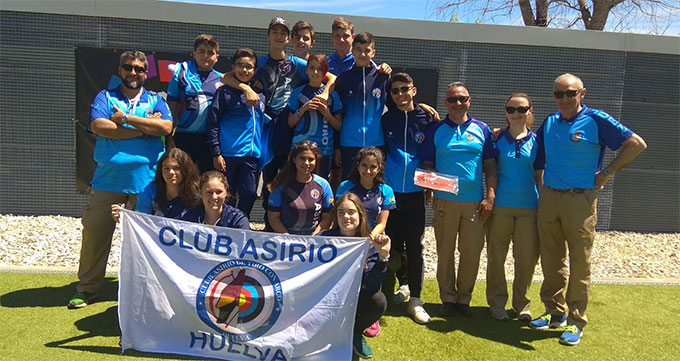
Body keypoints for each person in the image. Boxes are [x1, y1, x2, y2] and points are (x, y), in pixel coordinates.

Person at [530, 73, 646, 346]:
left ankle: (575, 321)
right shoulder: (549, 122)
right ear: (553, 97)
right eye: (559, 94)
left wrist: (606, 173)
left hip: (579, 201)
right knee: (551, 259)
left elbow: (636, 145)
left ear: (583, 94)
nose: (565, 99)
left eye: (570, 93)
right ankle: (553, 312)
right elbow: (535, 151)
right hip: (550, 197)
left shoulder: (596, 120)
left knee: (579, 262)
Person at [68, 50, 173, 309]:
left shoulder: (155, 100)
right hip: (107, 182)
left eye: (138, 69)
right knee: (95, 235)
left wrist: (125, 121)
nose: (133, 73)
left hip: (145, 182)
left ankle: (139, 289)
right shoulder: (105, 96)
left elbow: (166, 128)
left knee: (142, 241)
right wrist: (143, 129)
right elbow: (100, 127)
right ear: (120, 70)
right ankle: (87, 288)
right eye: (128, 68)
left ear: (146, 73)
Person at [222, 17, 336, 230]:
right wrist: (247, 88)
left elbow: (330, 76)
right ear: (268, 35)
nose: (278, 36)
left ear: (287, 39)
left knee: (288, 174)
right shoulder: (260, 63)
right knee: (266, 175)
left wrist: (327, 90)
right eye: (275, 32)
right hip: (265, 127)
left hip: (288, 124)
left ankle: (284, 224)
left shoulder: (296, 63)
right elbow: (225, 77)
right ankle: (263, 223)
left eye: (282, 33)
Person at [420, 82, 498, 318]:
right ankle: (448, 298)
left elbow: (491, 167)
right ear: (446, 103)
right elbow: (427, 164)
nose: (457, 103)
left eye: (462, 99)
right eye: (452, 99)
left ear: (469, 101)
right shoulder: (437, 130)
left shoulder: (482, 130)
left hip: (474, 202)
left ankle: (464, 299)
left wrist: (491, 195)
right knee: (445, 251)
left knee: (471, 252)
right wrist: (431, 188)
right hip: (444, 202)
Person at [380, 73, 435, 325]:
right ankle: (387, 293)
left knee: (414, 248)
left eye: (405, 89)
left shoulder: (427, 118)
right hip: (390, 195)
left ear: (414, 91)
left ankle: (415, 299)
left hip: (415, 195)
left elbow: (436, 151)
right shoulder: (386, 119)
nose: (400, 94)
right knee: (390, 246)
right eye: (395, 91)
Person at [485, 93, 540, 322]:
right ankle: (497, 303)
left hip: (530, 206)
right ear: (505, 111)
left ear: (530, 110)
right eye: (511, 109)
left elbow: (540, 175)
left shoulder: (539, 141)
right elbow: (490, 170)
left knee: (526, 258)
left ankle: (522, 305)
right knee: (497, 256)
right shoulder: (495, 139)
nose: (516, 113)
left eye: (521, 109)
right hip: (501, 206)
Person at [321, 192, 390, 359]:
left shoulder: (370, 243)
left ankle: (356, 333)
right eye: (341, 212)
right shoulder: (324, 240)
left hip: (355, 299)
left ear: (360, 214)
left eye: (351, 212)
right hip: (326, 299)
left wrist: (383, 256)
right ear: (335, 216)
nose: (346, 217)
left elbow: (372, 286)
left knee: (378, 300)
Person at [336, 146, 396, 336]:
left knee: (371, 279)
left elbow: (382, 222)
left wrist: (368, 241)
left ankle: (370, 318)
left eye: (373, 166)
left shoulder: (385, 190)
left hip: (369, 241)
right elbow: (337, 215)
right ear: (358, 165)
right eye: (364, 165)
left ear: (379, 168)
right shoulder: (345, 186)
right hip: (346, 242)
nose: (368, 171)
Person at [206, 48, 266, 219]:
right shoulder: (224, 93)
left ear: (254, 70)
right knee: (227, 195)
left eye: (249, 67)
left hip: (252, 156)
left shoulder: (260, 96)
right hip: (228, 155)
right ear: (233, 67)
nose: (244, 70)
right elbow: (212, 124)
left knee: (250, 193)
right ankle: (226, 225)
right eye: (240, 65)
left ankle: (240, 222)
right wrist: (216, 152)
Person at [335, 32, 390, 179]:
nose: (362, 54)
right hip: (348, 144)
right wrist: (337, 147)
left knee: (375, 187)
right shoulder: (343, 80)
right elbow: (337, 114)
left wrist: (421, 106)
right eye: (358, 49)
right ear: (352, 51)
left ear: (373, 52)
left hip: (376, 143)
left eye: (367, 50)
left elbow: (398, 105)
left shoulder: (383, 78)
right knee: (350, 188)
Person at [167, 34, 223, 172]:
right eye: (201, 51)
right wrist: (169, 139)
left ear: (217, 57)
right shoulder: (181, 74)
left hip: (209, 140)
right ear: (194, 53)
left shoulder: (222, 79)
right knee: (183, 180)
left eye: (210, 53)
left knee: (207, 181)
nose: (206, 56)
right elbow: (171, 110)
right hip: (183, 136)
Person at [287, 54, 343, 180]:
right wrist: (303, 109)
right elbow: (289, 123)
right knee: (296, 184)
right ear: (306, 70)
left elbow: (339, 126)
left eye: (320, 69)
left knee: (319, 186)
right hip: (299, 148)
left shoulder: (332, 94)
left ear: (326, 72)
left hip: (324, 149)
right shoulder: (298, 92)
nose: (315, 72)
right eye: (312, 68)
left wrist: (327, 114)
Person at [111, 147, 200, 222]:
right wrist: (124, 217)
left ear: (186, 170)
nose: (171, 172)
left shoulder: (197, 194)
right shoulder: (149, 191)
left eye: (177, 168)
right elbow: (142, 221)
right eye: (166, 168)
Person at [267, 140, 334, 235]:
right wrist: (288, 238)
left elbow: (327, 217)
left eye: (311, 159)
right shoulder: (281, 184)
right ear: (294, 159)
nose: (307, 163)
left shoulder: (324, 185)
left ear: (316, 160)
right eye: (302, 158)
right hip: (286, 239)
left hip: (314, 240)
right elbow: (273, 217)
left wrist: (313, 239)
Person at [181, 171, 250, 229]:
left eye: (219, 192)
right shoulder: (189, 218)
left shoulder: (237, 219)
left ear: (226, 192)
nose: (214, 197)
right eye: (209, 192)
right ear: (200, 193)